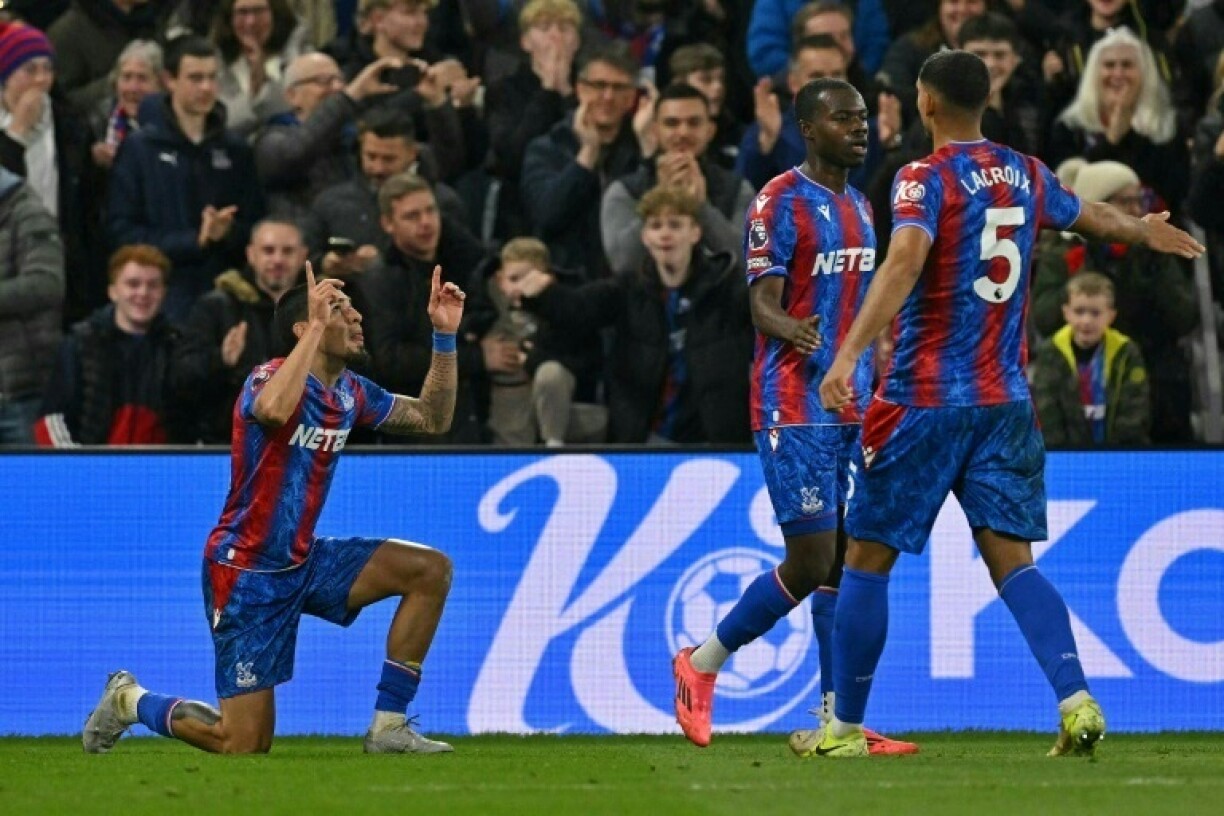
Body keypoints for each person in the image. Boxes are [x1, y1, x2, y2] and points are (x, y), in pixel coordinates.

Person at [813, 50, 1203, 758]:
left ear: (926, 102)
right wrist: (1145, 228)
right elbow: (1090, 217)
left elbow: (903, 260)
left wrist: (845, 356)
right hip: (1004, 401)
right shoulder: (1024, 170)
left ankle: (842, 729)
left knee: (865, 560)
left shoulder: (921, 178)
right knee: (1013, 561)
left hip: (922, 398)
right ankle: (1077, 700)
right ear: (984, 101)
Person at [82, 261, 467, 755]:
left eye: (352, 312)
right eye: (340, 312)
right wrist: (311, 332)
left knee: (429, 570)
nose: (356, 320)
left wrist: (443, 336)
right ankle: (128, 700)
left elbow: (433, 418)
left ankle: (389, 726)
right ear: (305, 329)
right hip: (245, 573)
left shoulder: (351, 392)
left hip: (304, 561)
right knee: (242, 743)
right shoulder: (265, 380)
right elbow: (272, 412)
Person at [670, 77, 915, 757]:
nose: (859, 129)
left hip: (853, 405)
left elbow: (866, 305)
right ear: (809, 127)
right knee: (812, 559)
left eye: (863, 118)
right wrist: (796, 331)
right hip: (793, 403)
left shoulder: (863, 207)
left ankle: (838, 725)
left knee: (844, 562)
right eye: (844, 119)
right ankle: (705, 661)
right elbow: (761, 306)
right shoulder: (777, 201)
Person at [514, 185, 753, 445]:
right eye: (655, 226)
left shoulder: (727, 290)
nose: (665, 234)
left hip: (716, 443)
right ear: (644, 237)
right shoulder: (627, 289)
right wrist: (544, 293)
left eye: (675, 225)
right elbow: (578, 309)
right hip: (644, 441)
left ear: (695, 233)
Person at [34, 245, 186, 446]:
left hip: (163, 470)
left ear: (164, 292)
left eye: (153, 285)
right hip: (91, 470)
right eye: (133, 284)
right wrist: (75, 467)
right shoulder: (79, 344)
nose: (143, 293)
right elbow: (51, 420)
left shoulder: (178, 345)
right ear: (113, 291)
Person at [172, 219, 308, 444]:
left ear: (303, 255)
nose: (278, 259)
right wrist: (221, 360)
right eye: (268, 250)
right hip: (227, 445)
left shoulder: (322, 310)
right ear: (250, 254)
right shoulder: (216, 307)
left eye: (287, 251)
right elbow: (181, 379)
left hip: (303, 445)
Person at [1031, 271, 1150, 446]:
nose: (1086, 321)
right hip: (1064, 454)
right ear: (1066, 313)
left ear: (1111, 315)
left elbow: (1135, 409)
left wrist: (1117, 452)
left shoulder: (1126, 352)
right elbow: (1046, 410)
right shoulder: (1051, 351)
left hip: (1118, 454)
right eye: (1079, 311)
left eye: (1095, 313)